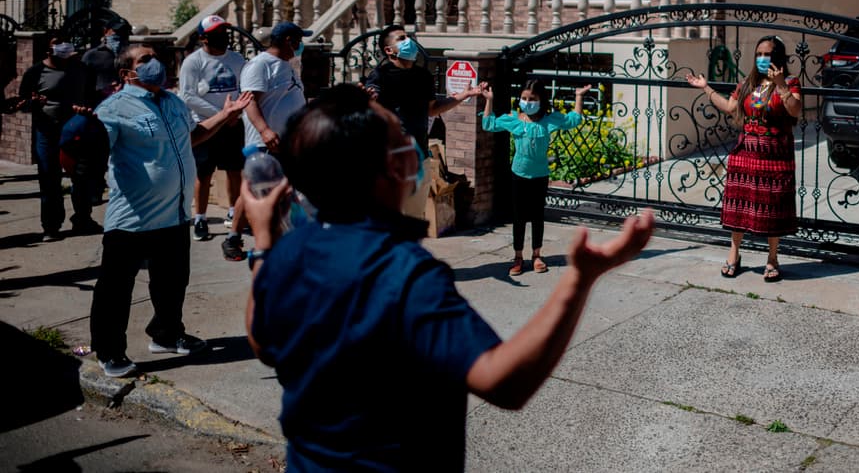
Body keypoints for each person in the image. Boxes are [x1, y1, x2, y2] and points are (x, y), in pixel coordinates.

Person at [242, 85, 653, 471]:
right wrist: (580, 279)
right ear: (395, 164)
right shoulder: (404, 275)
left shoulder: (288, 252)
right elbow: (503, 382)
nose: (411, 144)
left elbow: (262, 342)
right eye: (402, 135)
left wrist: (264, 240)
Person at [89, 44, 252, 379]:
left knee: (172, 283)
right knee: (116, 290)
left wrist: (226, 115)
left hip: (174, 215)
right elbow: (93, 147)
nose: (155, 64)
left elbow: (192, 137)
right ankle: (109, 351)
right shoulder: (115, 108)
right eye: (145, 60)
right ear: (126, 73)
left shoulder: (173, 101)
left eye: (155, 58)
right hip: (132, 219)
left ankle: (166, 334)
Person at [685, 35, 802, 282]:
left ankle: (772, 258)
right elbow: (730, 107)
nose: (761, 58)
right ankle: (734, 253)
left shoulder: (790, 82)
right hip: (746, 153)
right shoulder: (747, 83)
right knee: (739, 205)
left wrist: (780, 84)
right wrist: (705, 88)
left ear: (777, 57)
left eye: (767, 54)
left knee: (773, 207)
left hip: (775, 155)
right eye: (758, 54)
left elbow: (794, 110)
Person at [481, 78, 590, 276]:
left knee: (537, 215)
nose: (527, 101)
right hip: (518, 173)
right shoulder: (514, 118)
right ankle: (518, 257)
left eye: (532, 98)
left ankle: (537, 255)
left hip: (540, 175)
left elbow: (574, 120)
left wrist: (578, 97)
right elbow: (488, 124)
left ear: (541, 100)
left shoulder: (548, 120)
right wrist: (489, 100)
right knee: (519, 216)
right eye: (524, 98)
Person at [229, 21, 309, 261]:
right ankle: (233, 237)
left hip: (286, 140)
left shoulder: (286, 65)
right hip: (266, 141)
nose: (300, 44)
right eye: (298, 39)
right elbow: (250, 100)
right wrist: (264, 130)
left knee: (283, 189)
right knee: (253, 188)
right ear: (288, 40)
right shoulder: (260, 65)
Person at [17, 37, 97, 239]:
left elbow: (90, 95)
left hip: (77, 131)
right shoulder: (35, 72)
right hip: (48, 132)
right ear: (48, 50)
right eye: (58, 44)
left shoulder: (81, 68)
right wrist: (33, 103)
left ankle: (83, 219)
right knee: (49, 179)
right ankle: (51, 226)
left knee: (81, 176)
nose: (65, 49)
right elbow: (22, 103)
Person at [178, 14, 247, 242]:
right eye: (216, 33)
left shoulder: (237, 60)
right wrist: (221, 115)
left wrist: (235, 113)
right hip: (205, 125)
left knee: (234, 170)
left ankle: (232, 212)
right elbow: (187, 95)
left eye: (224, 32)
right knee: (203, 174)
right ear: (203, 38)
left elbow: (244, 89)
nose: (223, 37)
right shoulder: (193, 62)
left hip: (233, 124)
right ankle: (200, 217)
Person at [361, 26, 481, 148]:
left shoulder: (424, 75)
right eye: (402, 38)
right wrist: (368, 100)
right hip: (391, 151)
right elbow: (370, 101)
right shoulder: (380, 75)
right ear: (389, 50)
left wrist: (462, 96)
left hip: (419, 149)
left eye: (409, 37)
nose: (409, 41)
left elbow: (432, 109)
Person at [81, 14, 130, 104]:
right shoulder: (92, 56)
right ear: (106, 31)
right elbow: (82, 86)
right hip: (100, 105)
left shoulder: (132, 55)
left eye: (124, 32)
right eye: (117, 31)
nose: (120, 36)